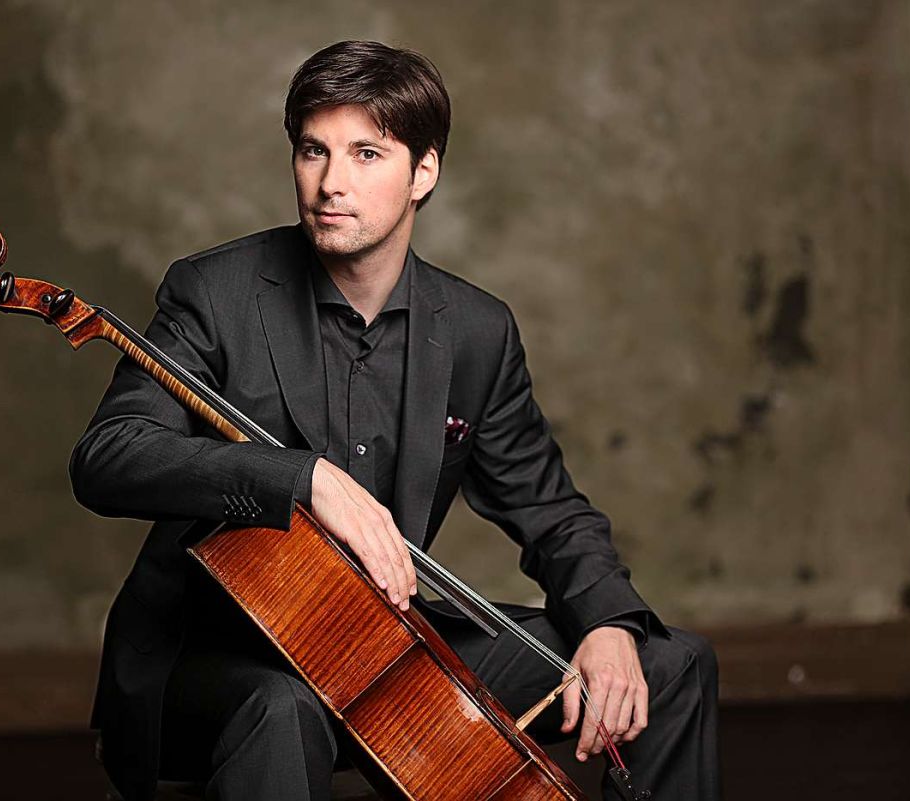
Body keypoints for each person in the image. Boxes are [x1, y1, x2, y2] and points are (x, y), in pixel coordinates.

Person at [70, 40, 719, 801]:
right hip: (212, 657)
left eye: (367, 154)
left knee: (667, 663)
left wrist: (607, 623)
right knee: (281, 709)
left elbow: (549, 510)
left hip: (375, 647)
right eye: (314, 150)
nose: (331, 183)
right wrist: (303, 478)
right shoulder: (215, 292)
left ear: (424, 172)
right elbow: (109, 456)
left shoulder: (476, 330)